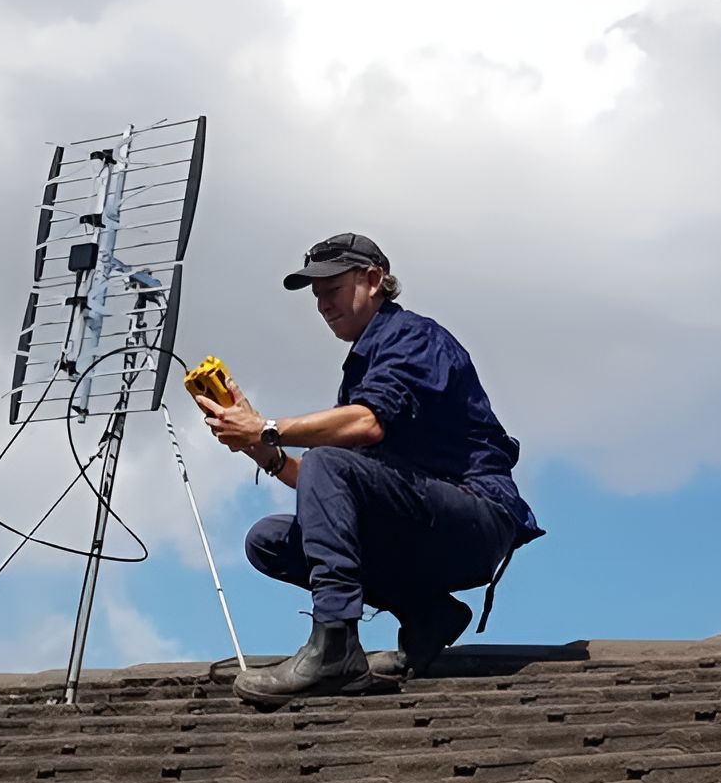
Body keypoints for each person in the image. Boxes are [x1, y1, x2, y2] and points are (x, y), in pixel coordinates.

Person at [200, 233, 544, 707]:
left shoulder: (413, 337)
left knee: (328, 459)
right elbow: (328, 488)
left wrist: (268, 427)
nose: (322, 304)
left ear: (374, 280)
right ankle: (428, 617)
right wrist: (264, 451)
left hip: (476, 517)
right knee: (271, 540)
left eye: (332, 289)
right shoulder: (363, 363)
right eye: (316, 295)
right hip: (425, 521)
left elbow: (368, 424)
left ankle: (335, 646)